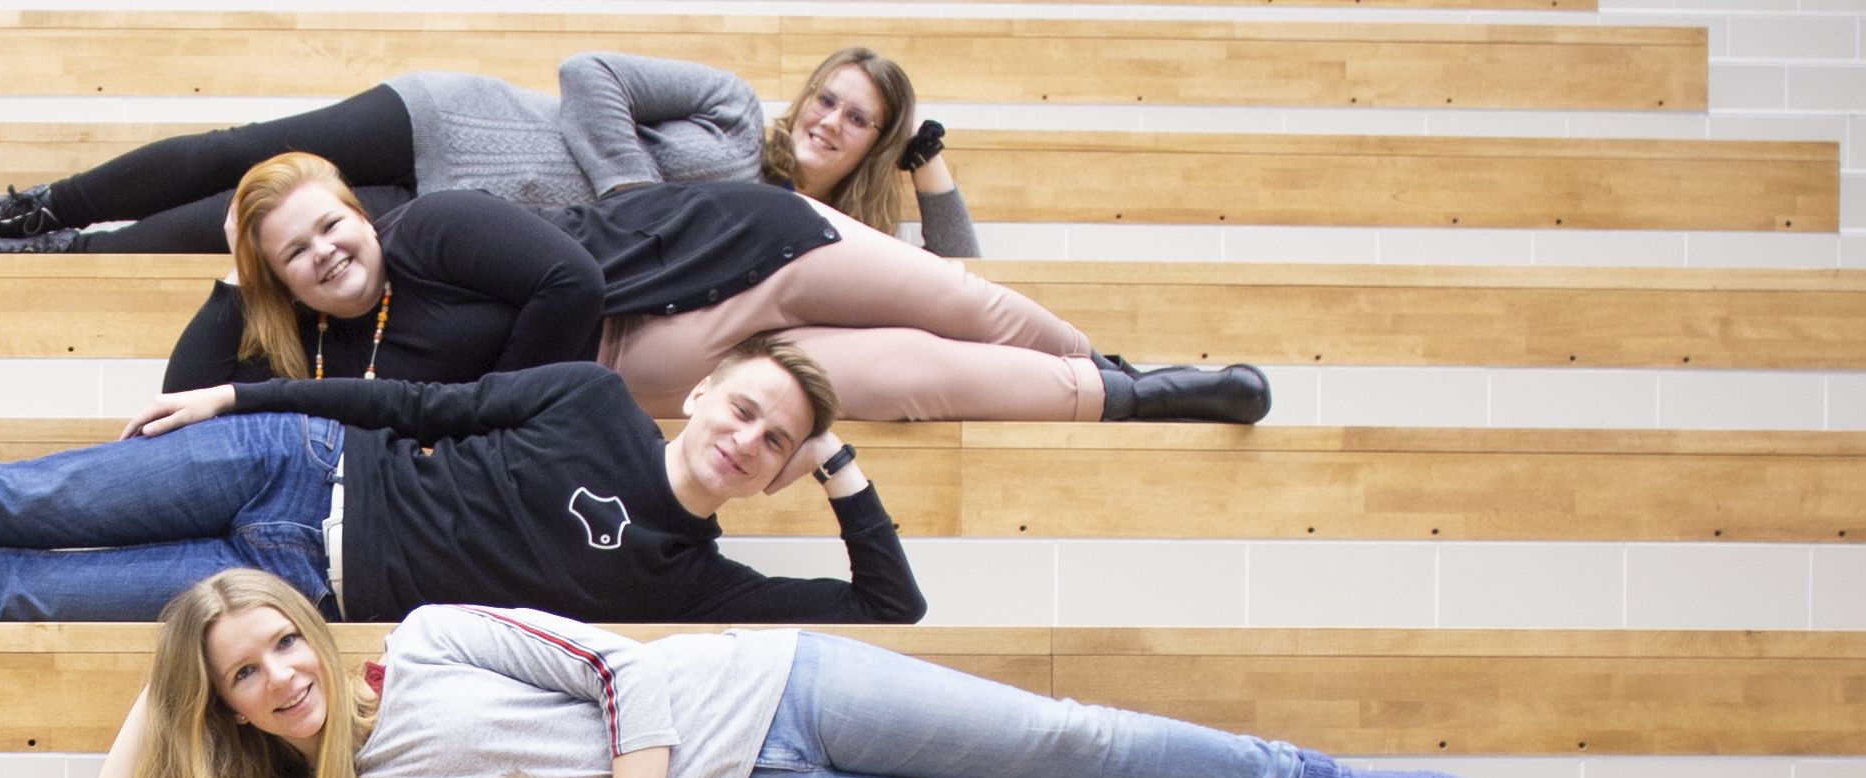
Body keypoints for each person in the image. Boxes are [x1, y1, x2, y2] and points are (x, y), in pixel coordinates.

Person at [82, 574, 1497, 778]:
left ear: (311, 633)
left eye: (279, 640)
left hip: (774, 689)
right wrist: (160, 683)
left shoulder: (436, 642)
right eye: (240, 678)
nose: (278, 676)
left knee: (1077, 743)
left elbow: (624, 674)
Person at [0, 336, 917, 628]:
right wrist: (241, 394)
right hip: (303, 456)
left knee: (12, 592)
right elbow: (414, 403)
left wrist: (843, 467)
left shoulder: (691, 580)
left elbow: (886, 609)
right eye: (740, 405)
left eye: (773, 442)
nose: (741, 437)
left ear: (774, 472)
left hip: (295, 583)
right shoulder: (581, 397)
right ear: (701, 392)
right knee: (9, 501)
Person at [160, 151, 1263, 425]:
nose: (329, 254)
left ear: (358, 210)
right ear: (279, 277)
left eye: (330, 225)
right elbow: (179, 399)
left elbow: (567, 279)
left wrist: (476, 408)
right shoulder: (320, 350)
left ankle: (1105, 361)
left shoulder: (428, 230)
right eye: (296, 253)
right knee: (911, 377)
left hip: (725, 242)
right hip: (664, 356)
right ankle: (1141, 399)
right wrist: (225, 277)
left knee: (961, 303)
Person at [0, 44, 978, 256]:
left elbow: (952, 286)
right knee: (242, 151)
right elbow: (587, 75)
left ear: (872, 147)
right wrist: (634, 193)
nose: (831, 121)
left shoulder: (810, 227)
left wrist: (933, 174)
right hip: (452, 123)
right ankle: (31, 206)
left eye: (859, 121)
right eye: (829, 99)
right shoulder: (734, 116)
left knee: (265, 226)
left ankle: (58, 259)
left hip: (466, 224)